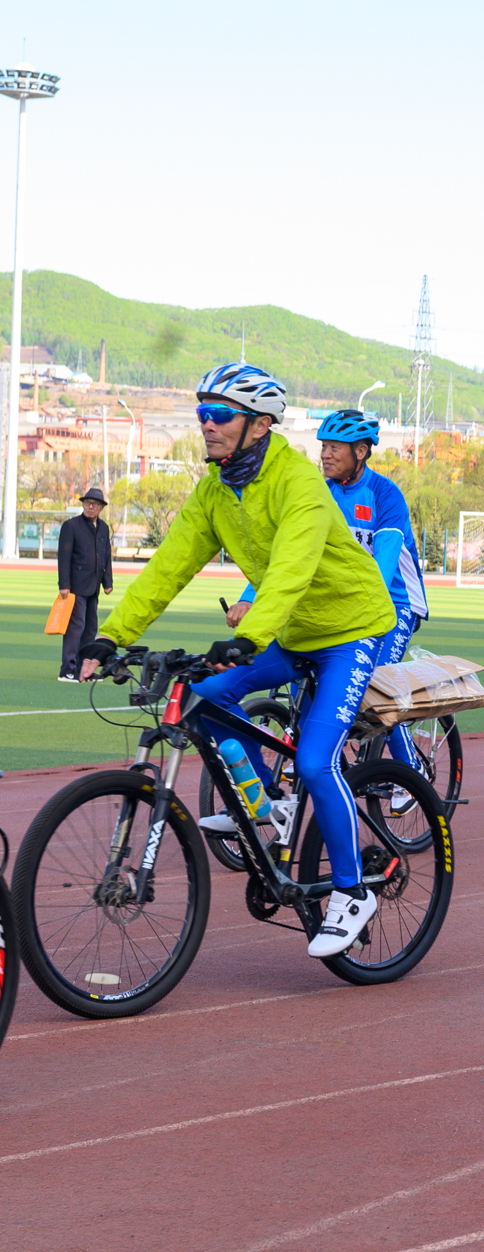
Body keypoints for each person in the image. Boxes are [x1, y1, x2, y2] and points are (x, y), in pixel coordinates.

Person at [79, 362, 395, 959]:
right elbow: (169, 566)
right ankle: (268, 802)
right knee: (207, 697)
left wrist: (249, 636)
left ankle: (353, 893)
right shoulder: (215, 489)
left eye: (219, 414)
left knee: (316, 759)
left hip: (351, 631)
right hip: (291, 631)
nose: (207, 425)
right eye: (203, 413)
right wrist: (112, 636)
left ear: (258, 423)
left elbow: (291, 569)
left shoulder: (297, 482)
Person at [233, 409, 429, 771]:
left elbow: (382, 569)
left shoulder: (385, 495)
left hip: (394, 603)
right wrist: (248, 598)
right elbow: (284, 553)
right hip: (337, 603)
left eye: (336, 447)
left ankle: (410, 769)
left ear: (361, 451)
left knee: (375, 684)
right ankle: (318, 750)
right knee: (301, 659)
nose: (325, 454)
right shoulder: (319, 495)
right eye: (324, 446)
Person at [55, 487, 114, 681]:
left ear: (101, 507)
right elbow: (64, 557)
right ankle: (67, 669)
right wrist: (64, 584)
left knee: (90, 628)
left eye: (95, 504)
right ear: (82, 504)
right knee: (75, 627)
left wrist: (108, 582)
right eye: (87, 503)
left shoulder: (104, 528)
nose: (90, 507)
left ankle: (83, 669)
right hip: (75, 587)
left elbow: (106, 557)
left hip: (94, 587)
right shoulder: (71, 526)